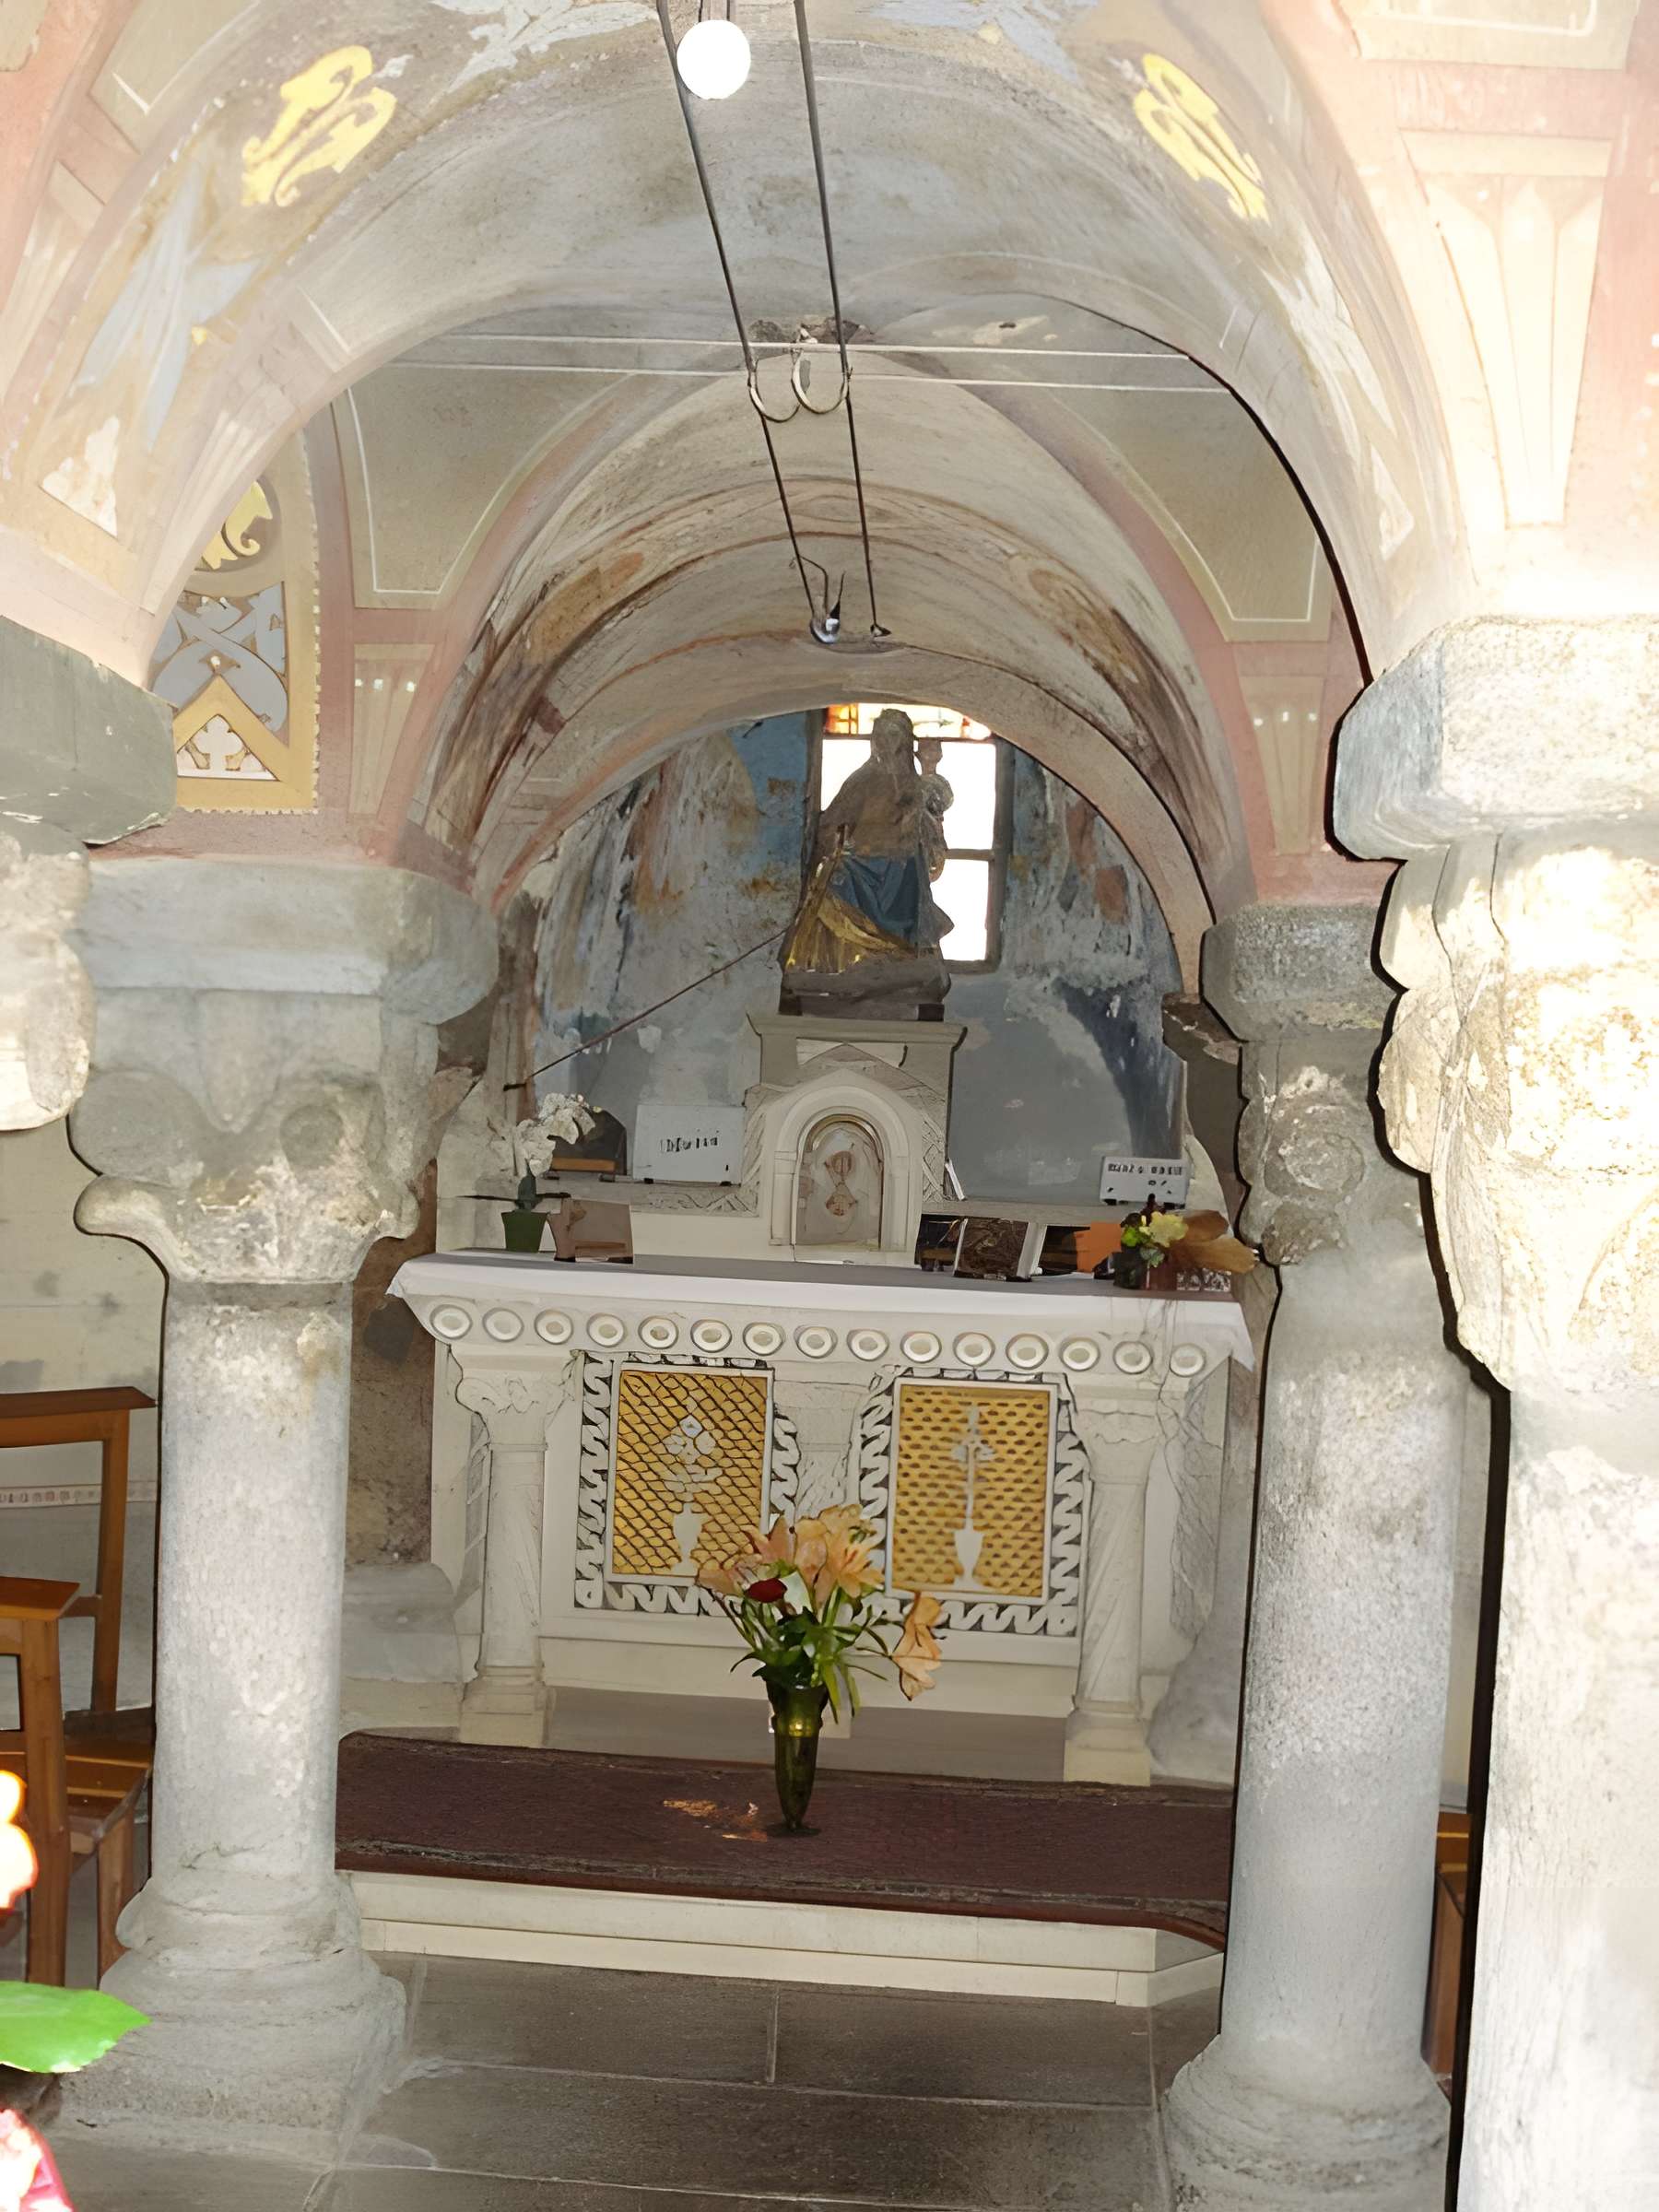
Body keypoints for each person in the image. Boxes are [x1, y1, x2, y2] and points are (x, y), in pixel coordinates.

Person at [781, 710, 950, 1018]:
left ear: (904, 741)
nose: (887, 742)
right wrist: (835, 846)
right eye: (881, 734)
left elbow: (937, 802)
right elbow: (831, 822)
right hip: (860, 864)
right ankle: (838, 965)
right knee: (835, 881)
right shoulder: (863, 780)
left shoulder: (915, 785)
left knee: (905, 879)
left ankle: (894, 960)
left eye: (894, 734)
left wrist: (929, 765)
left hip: (900, 870)